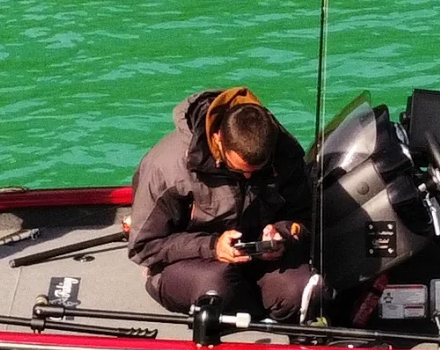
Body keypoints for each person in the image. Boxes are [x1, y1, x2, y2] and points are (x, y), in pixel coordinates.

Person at [129, 89, 320, 321]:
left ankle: (257, 315)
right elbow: (144, 245)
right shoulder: (165, 166)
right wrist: (212, 246)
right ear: (219, 139)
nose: (249, 177)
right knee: (218, 286)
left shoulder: (285, 153)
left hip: (257, 261)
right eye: (240, 169)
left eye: (257, 171)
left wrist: (282, 235)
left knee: (301, 290)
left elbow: (306, 218)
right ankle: (247, 314)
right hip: (191, 265)